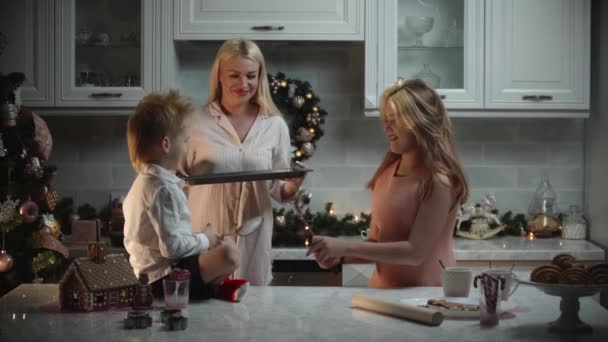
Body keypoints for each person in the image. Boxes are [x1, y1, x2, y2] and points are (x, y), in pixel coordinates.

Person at [307, 79, 469, 287]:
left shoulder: (438, 181)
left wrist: (346, 247)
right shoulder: (386, 174)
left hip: (428, 299)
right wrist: (339, 256)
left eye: (395, 119)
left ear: (420, 122)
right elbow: (379, 245)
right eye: (386, 119)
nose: (387, 127)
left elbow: (415, 253)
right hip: (383, 295)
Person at [184, 39, 304, 286]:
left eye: (251, 76)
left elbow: (278, 189)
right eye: (234, 75)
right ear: (219, 76)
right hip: (206, 240)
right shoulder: (194, 123)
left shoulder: (274, 125)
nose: (244, 84)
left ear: (259, 77)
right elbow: (178, 184)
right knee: (205, 315)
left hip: (254, 239)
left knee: (254, 315)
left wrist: (292, 187)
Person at [123, 90, 248, 302]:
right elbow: (172, 249)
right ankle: (216, 288)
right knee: (229, 252)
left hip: (149, 279)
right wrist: (205, 239)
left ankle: (215, 289)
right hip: (163, 281)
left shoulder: (144, 183)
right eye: (185, 141)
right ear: (166, 145)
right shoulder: (162, 189)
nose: (187, 147)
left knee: (218, 250)